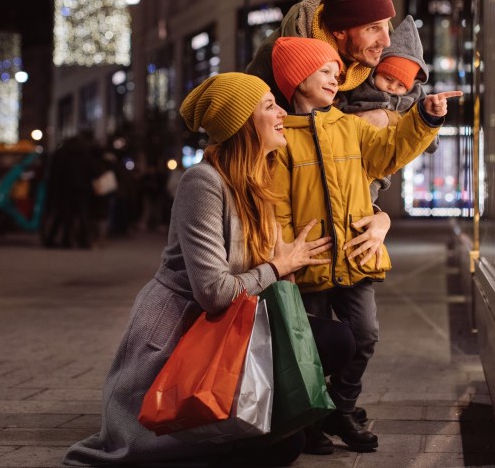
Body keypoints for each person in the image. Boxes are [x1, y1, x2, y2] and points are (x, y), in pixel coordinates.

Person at [64, 73, 354, 467]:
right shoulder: (202, 183)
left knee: (336, 343)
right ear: (242, 126)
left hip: (234, 322)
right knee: (281, 447)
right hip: (185, 330)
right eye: (269, 106)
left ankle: (243, 428)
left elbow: (264, 282)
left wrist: (285, 267)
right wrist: (276, 265)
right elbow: (213, 292)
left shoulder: (259, 181)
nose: (282, 113)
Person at [269, 36, 461, 453]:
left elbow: (390, 151)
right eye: (326, 72)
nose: (336, 80)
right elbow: (278, 204)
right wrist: (285, 254)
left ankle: (341, 407)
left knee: (365, 334)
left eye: (337, 74)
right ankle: (314, 418)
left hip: (356, 254)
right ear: (298, 79)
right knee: (312, 346)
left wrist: (424, 118)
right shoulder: (283, 137)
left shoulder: (349, 127)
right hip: (310, 261)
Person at [246, 0, 396, 128]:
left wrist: (388, 117)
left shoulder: (382, 49)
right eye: (372, 28)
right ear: (339, 32)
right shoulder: (274, 56)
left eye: (385, 24)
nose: (386, 41)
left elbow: (416, 113)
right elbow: (246, 132)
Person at [342, 15, 440, 200]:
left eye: (401, 85)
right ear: (376, 71)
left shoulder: (411, 100)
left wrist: (430, 114)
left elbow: (430, 141)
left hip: (379, 168)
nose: (393, 87)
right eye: (387, 79)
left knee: (362, 202)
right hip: (349, 152)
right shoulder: (358, 83)